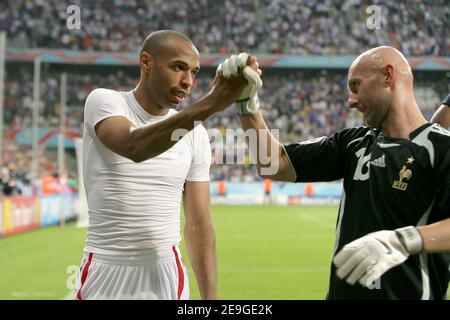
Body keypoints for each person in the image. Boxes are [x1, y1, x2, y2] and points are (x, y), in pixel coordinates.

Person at [219, 46, 450, 299]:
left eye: (356, 85)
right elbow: (272, 164)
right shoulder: (352, 143)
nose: (350, 101)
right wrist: (246, 106)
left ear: (388, 76)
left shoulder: (441, 148)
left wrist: (402, 241)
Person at [75, 30, 250, 300]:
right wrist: (212, 102)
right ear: (146, 62)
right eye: (178, 67)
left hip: (166, 274)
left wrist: (210, 300)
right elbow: (133, 146)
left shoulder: (196, 134)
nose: (188, 82)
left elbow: (199, 223)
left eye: (194, 72)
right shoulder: (104, 101)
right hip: (104, 269)